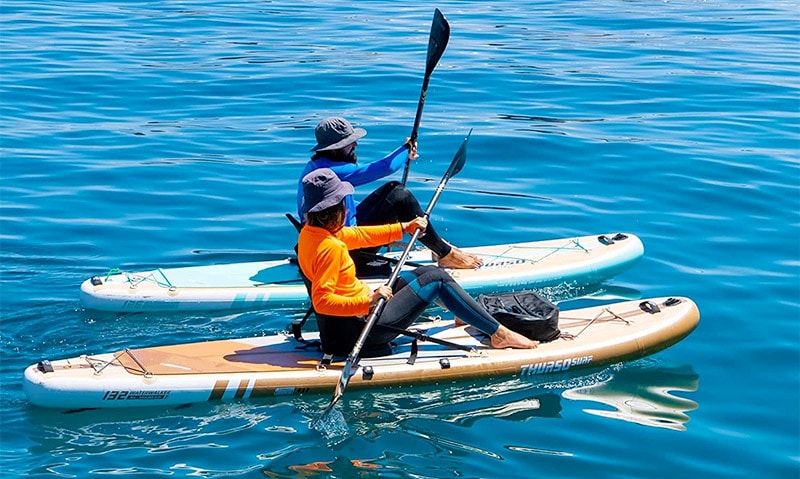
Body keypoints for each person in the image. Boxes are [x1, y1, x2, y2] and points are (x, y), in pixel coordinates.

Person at [297, 168, 537, 357]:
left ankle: (464, 311)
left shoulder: (312, 234)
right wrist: (369, 301)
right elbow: (322, 301)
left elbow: (358, 235)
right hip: (363, 329)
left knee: (426, 272)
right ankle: (500, 334)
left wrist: (404, 227)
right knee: (437, 279)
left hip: (341, 329)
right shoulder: (330, 247)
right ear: (334, 209)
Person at [296, 116, 482, 273]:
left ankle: (436, 245)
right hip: (342, 251)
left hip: (336, 237)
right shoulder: (333, 171)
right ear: (334, 148)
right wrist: (405, 149)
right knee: (400, 197)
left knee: (393, 189)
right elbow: (386, 167)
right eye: (348, 143)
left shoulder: (315, 166)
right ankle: (445, 254)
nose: (355, 144)